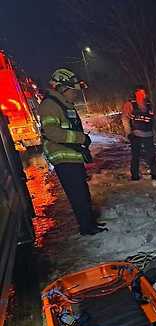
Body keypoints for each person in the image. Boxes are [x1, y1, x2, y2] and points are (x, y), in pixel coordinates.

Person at [38, 68, 107, 235]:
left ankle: (89, 222)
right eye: (73, 91)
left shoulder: (63, 103)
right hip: (64, 158)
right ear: (62, 88)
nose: (76, 94)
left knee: (82, 192)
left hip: (72, 157)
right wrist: (80, 138)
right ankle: (86, 227)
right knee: (77, 195)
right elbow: (52, 132)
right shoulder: (50, 105)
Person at [121, 85, 156, 180]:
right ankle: (134, 176)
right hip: (135, 135)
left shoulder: (149, 104)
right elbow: (125, 118)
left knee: (151, 155)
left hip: (148, 134)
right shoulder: (130, 104)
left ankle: (154, 174)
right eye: (139, 93)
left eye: (143, 93)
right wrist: (129, 132)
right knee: (135, 156)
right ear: (135, 93)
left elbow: (154, 119)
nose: (141, 95)